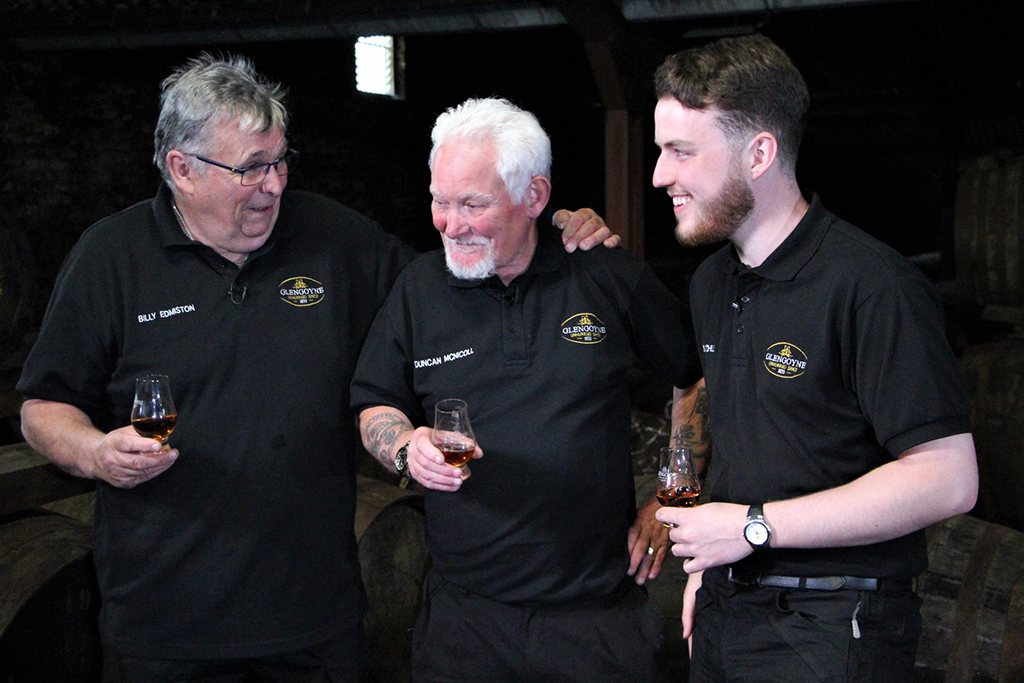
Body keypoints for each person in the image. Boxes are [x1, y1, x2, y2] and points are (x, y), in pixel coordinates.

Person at [16, 54, 616, 682]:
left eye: (278, 161)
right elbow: (43, 406)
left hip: (314, 625)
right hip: (164, 628)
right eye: (250, 169)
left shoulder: (334, 237)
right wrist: (93, 453)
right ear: (182, 170)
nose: (274, 185)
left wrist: (548, 232)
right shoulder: (110, 258)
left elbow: (456, 287)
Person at [650, 34, 978, 682]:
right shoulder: (711, 283)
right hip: (725, 607)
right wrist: (713, 564)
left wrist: (749, 529)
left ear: (760, 153)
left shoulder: (872, 285)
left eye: (681, 151)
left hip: (835, 620)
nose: (660, 174)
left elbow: (949, 476)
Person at [349, 97, 706, 683]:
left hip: (597, 621)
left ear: (535, 198)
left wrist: (675, 494)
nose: (448, 222)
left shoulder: (603, 275)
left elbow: (693, 372)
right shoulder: (419, 288)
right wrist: (405, 444)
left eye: (472, 204)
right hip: (464, 623)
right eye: (439, 201)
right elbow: (373, 403)